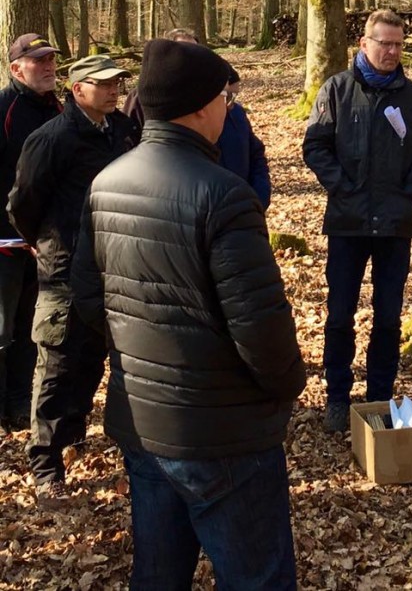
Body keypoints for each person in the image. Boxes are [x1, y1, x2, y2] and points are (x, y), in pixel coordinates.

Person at [71, 39, 306, 589]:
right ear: (201, 107)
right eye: (224, 96)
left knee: (157, 575)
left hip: (143, 423)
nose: (229, 106)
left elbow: (87, 297)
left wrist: (140, 351)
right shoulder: (225, 196)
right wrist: (284, 388)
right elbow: (262, 330)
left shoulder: (106, 183)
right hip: (224, 433)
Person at [8, 55, 138, 507]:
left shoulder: (122, 130)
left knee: (92, 360)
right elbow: (23, 204)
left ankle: (73, 435)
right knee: (55, 367)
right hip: (62, 271)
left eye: (117, 82)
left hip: (111, 268)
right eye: (102, 84)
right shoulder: (52, 138)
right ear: (78, 89)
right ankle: (45, 465)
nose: (113, 89)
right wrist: (47, 244)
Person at [303, 8, 412, 432]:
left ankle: (380, 396)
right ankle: (338, 397)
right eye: (384, 43)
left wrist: (409, 189)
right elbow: (315, 146)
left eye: (398, 44)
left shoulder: (411, 97)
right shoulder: (337, 90)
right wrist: (342, 186)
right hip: (347, 223)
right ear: (365, 44)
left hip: (394, 226)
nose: (392, 51)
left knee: (388, 317)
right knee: (340, 314)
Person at [0, 34, 62, 435]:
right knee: (2, 330)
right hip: (4, 244)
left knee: (29, 328)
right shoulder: (4, 110)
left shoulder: (59, 110)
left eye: (51, 59)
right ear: (16, 68)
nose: (49, 66)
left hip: (45, 242)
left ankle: (20, 403)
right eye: (38, 60)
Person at [217, 66, 272, 208]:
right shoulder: (195, 125)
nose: (229, 104)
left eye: (234, 97)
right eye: (227, 96)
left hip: (247, 209)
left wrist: (260, 197)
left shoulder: (237, 113)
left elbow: (256, 154)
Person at [122, 28, 199, 127]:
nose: (190, 57)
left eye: (195, 52)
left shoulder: (207, 94)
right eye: (184, 51)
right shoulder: (142, 96)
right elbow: (127, 137)